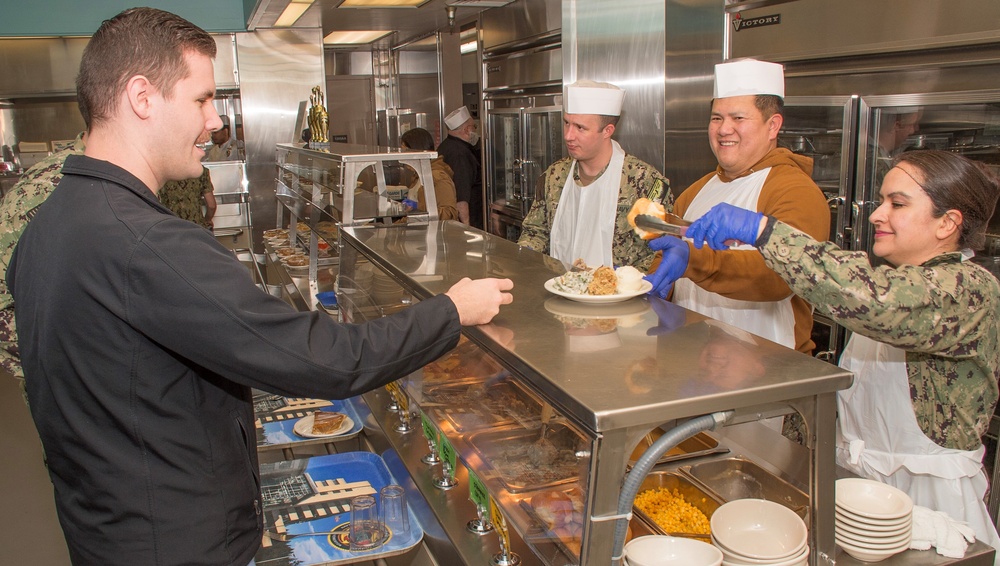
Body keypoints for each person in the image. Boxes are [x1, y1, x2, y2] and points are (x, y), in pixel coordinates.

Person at [6, 8, 513, 566]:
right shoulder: (146, 244)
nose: (217, 121)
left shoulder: (50, 224)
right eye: (201, 98)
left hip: (105, 532)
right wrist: (451, 310)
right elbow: (328, 360)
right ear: (141, 96)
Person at [682, 149, 1000, 557]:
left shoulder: (969, 289)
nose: (876, 215)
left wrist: (765, 231)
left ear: (948, 223)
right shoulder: (895, 277)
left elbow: (872, 301)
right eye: (882, 200)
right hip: (860, 488)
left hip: (930, 500)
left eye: (897, 204)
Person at [646, 58, 829, 355]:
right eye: (716, 118)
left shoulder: (794, 190)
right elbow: (670, 252)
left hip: (767, 367)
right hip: (691, 360)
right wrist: (646, 287)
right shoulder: (696, 190)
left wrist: (694, 261)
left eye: (738, 118)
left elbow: (782, 277)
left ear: (773, 126)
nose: (723, 129)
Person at [518, 80, 671, 271]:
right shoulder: (554, 176)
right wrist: (526, 259)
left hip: (620, 298)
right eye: (567, 123)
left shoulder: (646, 183)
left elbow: (658, 253)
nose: (568, 135)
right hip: (558, 291)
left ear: (607, 131)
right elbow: (535, 232)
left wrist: (621, 284)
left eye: (580, 128)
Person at [0, 131, 86, 405]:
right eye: (198, 102)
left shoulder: (127, 178)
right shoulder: (52, 186)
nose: (211, 121)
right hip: (75, 395)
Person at [437, 105, 483, 228]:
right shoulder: (460, 154)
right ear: (467, 130)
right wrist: (467, 227)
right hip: (467, 220)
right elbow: (461, 197)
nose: (476, 131)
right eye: (475, 127)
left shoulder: (446, 146)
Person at [399, 127, 459, 220]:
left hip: (435, 233)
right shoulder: (418, 175)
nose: (402, 158)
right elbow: (412, 218)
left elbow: (449, 213)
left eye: (405, 152)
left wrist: (418, 207)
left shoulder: (438, 176)